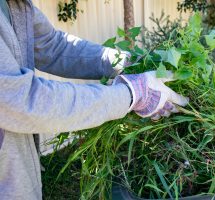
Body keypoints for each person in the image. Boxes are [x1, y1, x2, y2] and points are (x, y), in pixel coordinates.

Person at [0, 0, 188, 199]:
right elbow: (22, 99)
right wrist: (132, 94)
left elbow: (52, 46)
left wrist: (121, 63)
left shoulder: (15, 4)